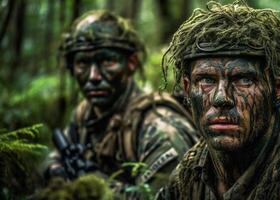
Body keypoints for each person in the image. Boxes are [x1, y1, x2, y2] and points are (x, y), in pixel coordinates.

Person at [156, 1, 280, 200]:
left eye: (243, 79)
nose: (222, 98)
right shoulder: (191, 172)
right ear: (188, 90)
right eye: (207, 80)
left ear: (278, 89)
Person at [44, 10, 197, 196]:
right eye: (83, 63)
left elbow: (161, 196)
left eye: (107, 61)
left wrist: (96, 187)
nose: (93, 76)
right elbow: (54, 158)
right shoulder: (85, 114)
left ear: (131, 63)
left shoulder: (160, 128)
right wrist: (56, 171)